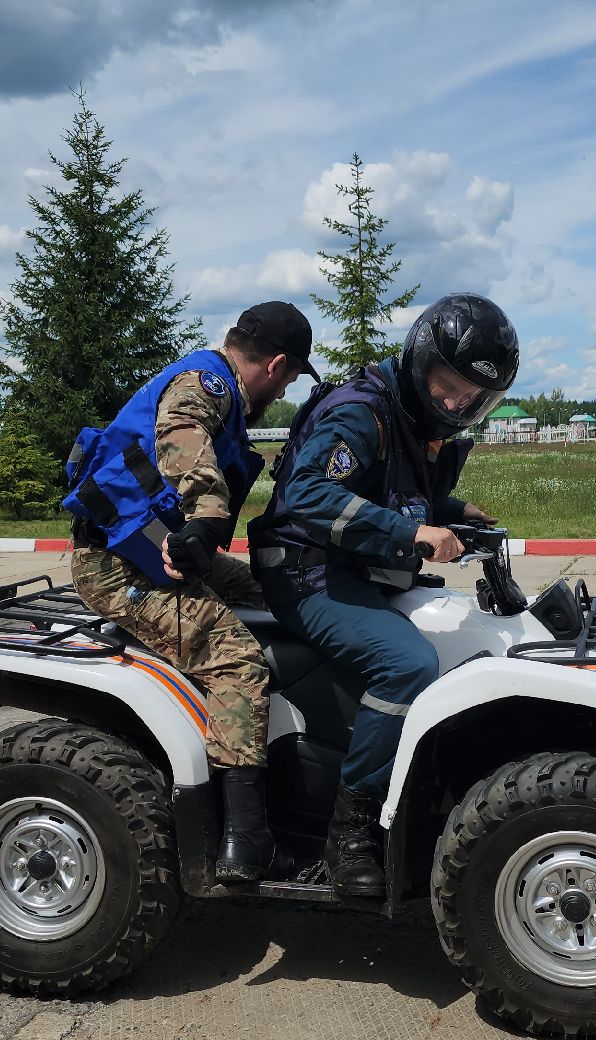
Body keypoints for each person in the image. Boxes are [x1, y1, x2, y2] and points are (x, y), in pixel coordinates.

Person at [248, 293, 516, 895]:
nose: (455, 402)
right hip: (305, 569)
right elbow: (308, 495)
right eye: (447, 386)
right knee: (407, 663)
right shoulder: (361, 413)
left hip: (352, 566)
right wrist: (411, 532)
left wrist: (453, 511)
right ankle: (351, 830)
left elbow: (388, 491)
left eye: (470, 396)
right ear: (421, 363)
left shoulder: (416, 421)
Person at [63, 301, 317, 883]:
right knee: (235, 658)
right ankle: (246, 841)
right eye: (287, 382)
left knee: (270, 591)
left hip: (156, 561)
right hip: (116, 571)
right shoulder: (205, 382)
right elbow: (181, 430)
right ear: (276, 365)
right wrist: (206, 512)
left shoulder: (221, 388)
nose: (279, 397)